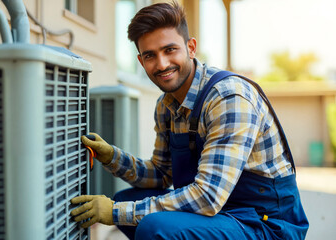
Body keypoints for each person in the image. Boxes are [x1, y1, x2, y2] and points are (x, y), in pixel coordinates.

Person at [70, 1, 309, 239]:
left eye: (170, 50)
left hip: (265, 224)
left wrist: (113, 213)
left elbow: (207, 196)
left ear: (191, 47)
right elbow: (162, 174)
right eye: (150, 55)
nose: (162, 64)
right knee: (127, 200)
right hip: (223, 214)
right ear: (141, 62)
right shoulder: (166, 106)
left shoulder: (228, 98)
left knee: (153, 227)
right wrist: (112, 157)